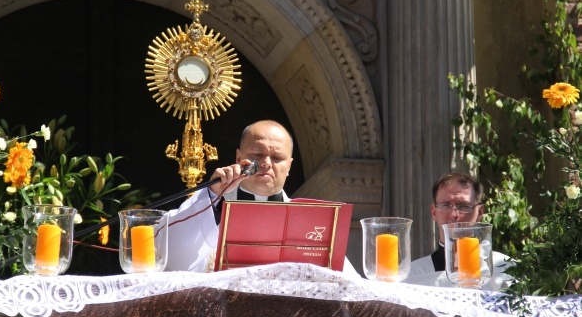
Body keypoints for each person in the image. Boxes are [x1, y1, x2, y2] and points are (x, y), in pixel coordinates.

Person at [164, 120, 358, 275]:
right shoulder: (208, 208)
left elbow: (348, 282)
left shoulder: (314, 223)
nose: (266, 164)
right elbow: (168, 253)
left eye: (277, 158)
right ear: (239, 159)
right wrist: (213, 195)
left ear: (289, 166)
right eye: (257, 154)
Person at [405, 172, 512, 290]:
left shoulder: (505, 267)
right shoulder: (413, 275)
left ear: (480, 212)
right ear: (434, 212)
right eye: (445, 205)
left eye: (463, 206)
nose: (453, 214)